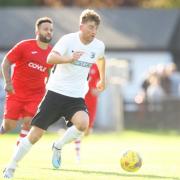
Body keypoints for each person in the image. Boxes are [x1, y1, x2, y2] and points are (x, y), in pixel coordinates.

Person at [3, 9, 106, 179]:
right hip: (55, 94)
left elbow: (101, 59)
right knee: (35, 135)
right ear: (81, 26)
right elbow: (50, 59)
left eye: (95, 28)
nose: (93, 31)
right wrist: (69, 59)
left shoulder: (99, 45)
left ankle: (58, 145)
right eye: (90, 27)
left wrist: (102, 79)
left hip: (75, 97)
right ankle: (11, 167)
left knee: (83, 124)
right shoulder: (68, 40)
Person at [0, 17, 53, 146]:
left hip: (36, 94)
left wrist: (49, 87)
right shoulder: (24, 45)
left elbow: (50, 72)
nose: (49, 32)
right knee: (9, 125)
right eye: (45, 29)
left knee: (30, 121)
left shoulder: (52, 53)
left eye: (51, 30)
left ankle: (18, 150)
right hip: (16, 92)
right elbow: (6, 62)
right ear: (37, 31)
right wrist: (8, 82)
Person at [74, 63, 100, 161]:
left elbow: (102, 80)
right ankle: (77, 154)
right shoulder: (79, 63)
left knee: (87, 131)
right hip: (80, 98)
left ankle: (70, 137)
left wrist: (98, 88)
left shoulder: (96, 66)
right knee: (78, 126)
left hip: (92, 100)